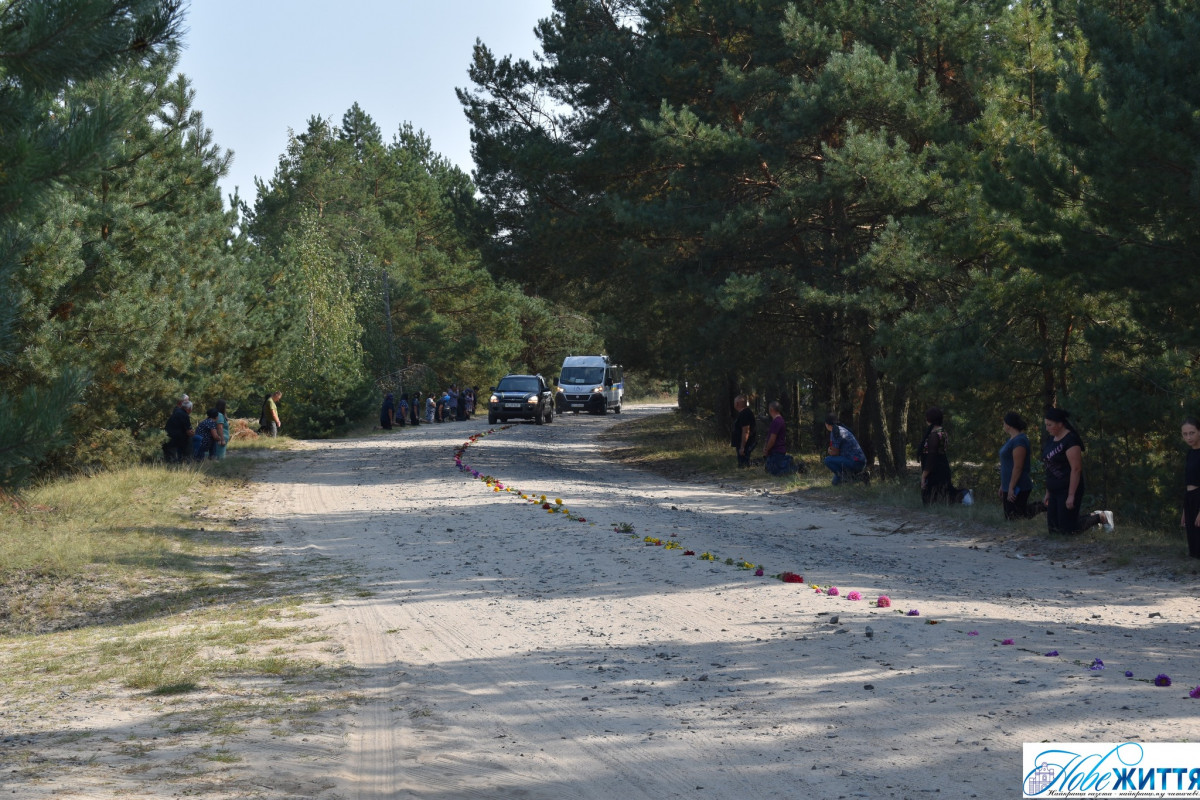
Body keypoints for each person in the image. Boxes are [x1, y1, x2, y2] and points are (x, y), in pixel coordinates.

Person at [1041, 408, 1113, 535]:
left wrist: (1071, 495)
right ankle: (1093, 516)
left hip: (1068, 488)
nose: (1047, 428)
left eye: (1049, 425)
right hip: (1054, 489)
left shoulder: (1070, 440)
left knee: (1068, 531)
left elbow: (1076, 469)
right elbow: (1049, 467)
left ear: (1060, 423)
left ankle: (1100, 517)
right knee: (1054, 530)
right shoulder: (1051, 440)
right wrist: (1048, 492)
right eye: (1046, 425)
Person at [998, 412, 1037, 519]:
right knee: (1009, 515)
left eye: (1004, 423)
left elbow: (1018, 467)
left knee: (1015, 516)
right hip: (1008, 484)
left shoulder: (1020, 441)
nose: (1003, 426)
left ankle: (1042, 506)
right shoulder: (1010, 440)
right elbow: (1006, 464)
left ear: (1009, 425)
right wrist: (1003, 485)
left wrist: (1011, 487)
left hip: (1018, 485)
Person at [919, 407, 955, 505]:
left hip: (934, 470)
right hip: (942, 465)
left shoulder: (934, 435)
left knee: (932, 499)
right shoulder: (943, 432)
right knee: (943, 495)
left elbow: (931, 457)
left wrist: (924, 475)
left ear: (929, 419)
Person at [823, 413, 866, 485]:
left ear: (827, 424)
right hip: (859, 461)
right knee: (835, 483)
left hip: (854, 461)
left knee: (828, 460)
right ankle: (862, 477)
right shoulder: (841, 428)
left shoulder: (835, 431)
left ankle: (847, 478)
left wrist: (829, 451)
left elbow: (835, 453)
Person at [1181, 417, 1200, 558]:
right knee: (1194, 549)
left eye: (1192, 433)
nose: (1189, 437)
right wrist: (1184, 509)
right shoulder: (1190, 453)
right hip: (1190, 498)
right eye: (1185, 434)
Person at [762, 401, 796, 475]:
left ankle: (796, 468)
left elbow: (772, 439)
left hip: (776, 451)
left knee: (776, 472)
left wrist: (767, 450)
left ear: (771, 409)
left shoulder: (777, 421)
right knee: (769, 470)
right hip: (775, 451)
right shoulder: (778, 420)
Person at [163, 396, 193, 462]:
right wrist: (193, 433)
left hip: (168, 435)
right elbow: (189, 432)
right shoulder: (184, 415)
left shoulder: (177, 411)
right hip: (175, 438)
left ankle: (181, 458)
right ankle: (186, 458)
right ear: (189, 409)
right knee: (190, 438)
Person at [730, 395, 756, 468]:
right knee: (742, 463)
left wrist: (742, 447)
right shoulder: (742, 413)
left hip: (746, 444)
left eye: (734, 402)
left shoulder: (745, 414)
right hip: (742, 443)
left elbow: (746, 431)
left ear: (737, 403)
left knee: (743, 464)